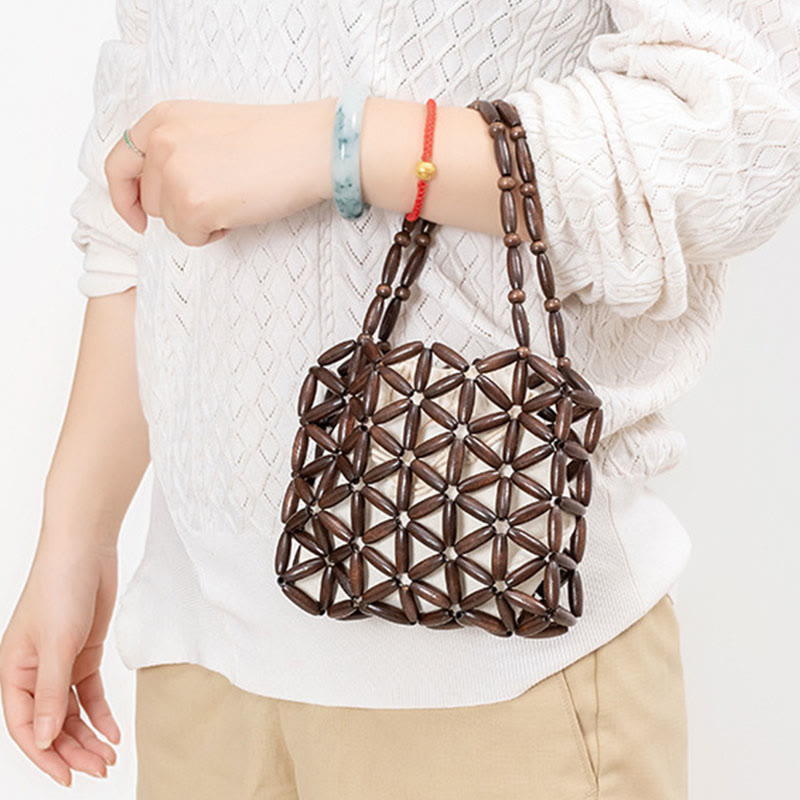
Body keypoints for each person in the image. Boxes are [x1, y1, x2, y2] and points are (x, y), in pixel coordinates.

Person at [1, 0, 799, 797]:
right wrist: (76, 529)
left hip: (498, 664)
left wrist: (341, 146)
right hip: (197, 665)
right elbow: (133, 202)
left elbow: (739, 139)